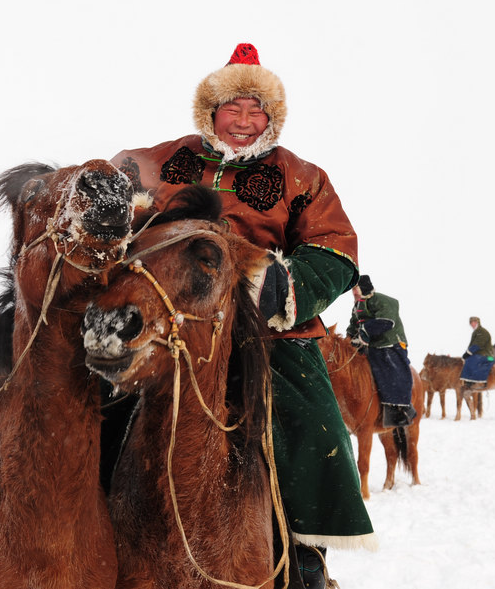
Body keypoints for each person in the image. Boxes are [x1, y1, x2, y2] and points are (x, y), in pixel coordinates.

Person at [111, 43, 375, 586]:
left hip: (267, 331)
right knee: (92, 394)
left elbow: (335, 247)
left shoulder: (302, 176)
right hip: (169, 317)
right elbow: (116, 187)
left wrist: (282, 286)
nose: (244, 121)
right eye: (233, 109)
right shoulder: (168, 159)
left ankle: (303, 554)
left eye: (257, 111)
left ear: (272, 119)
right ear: (210, 113)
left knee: (310, 419)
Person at [346, 275, 416, 427]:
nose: (353, 293)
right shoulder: (357, 306)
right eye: (352, 290)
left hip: (390, 344)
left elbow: (386, 321)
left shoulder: (383, 300)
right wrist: (348, 340)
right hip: (371, 346)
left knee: (391, 370)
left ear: (363, 288)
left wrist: (365, 331)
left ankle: (400, 409)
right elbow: (353, 325)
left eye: (355, 289)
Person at [461, 316, 495, 385]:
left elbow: (478, 345)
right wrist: (467, 353)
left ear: (478, 322)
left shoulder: (481, 332)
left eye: (474, 322)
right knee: (469, 359)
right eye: (471, 323)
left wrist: (468, 353)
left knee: (472, 360)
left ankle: (473, 381)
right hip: (479, 353)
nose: (472, 324)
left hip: (486, 355)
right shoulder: (476, 332)